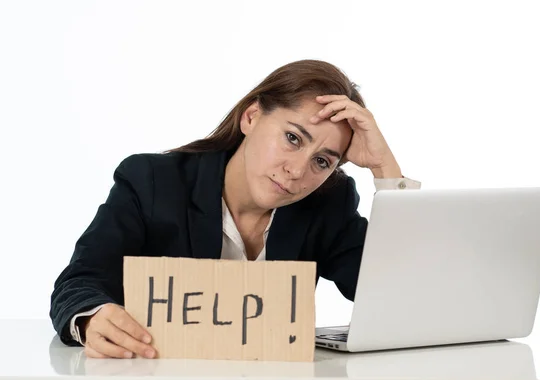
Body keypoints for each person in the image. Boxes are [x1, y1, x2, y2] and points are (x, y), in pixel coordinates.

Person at [50, 59, 421, 359]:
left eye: (322, 162)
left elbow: (399, 297)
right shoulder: (151, 180)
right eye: (292, 138)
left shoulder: (327, 203)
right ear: (251, 117)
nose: (297, 171)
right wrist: (92, 318)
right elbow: (80, 281)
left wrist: (386, 173)